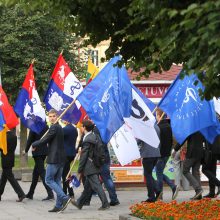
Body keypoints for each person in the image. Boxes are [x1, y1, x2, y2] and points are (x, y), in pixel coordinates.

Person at [32, 109, 71, 213]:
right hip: (61, 159)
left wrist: (34, 144)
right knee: (57, 181)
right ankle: (58, 205)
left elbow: (45, 139)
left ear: (57, 116)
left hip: (54, 159)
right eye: (50, 116)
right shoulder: (59, 127)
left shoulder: (54, 127)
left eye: (54, 116)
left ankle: (64, 197)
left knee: (48, 180)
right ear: (48, 117)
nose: (52, 118)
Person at [71, 120, 109, 210]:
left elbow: (84, 156)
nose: (81, 128)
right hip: (95, 164)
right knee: (88, 186)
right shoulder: (95, 136)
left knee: (97, 185)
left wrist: (80, 169)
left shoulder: (87, 139)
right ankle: (79, 203)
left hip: (90, 166)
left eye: (82, 126)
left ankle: (105, 204)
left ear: (84, 127)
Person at [24, 126, 54, 201]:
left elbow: (30, 139)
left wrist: (26, 150)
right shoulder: (46, 126)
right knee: (35, 173)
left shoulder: (34, 127)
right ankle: (30, 193)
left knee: (42, 172)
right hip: (44, 151)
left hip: (37, 152)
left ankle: (50, 193)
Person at [155, 109, 179, 200]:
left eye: (156, 115)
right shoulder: (169, 126)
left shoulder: (159, 127)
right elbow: (171, 140)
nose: (156, 117)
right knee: (160, 172)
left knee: (159, 173)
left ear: (159, 115)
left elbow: (158, 142)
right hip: (167, 153)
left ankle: (160, 194)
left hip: (160, 153)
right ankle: (173, 187)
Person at [173, 131, 204, 200]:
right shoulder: (201, 128)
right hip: (200, 153)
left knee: (185, 170)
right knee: (195, 172)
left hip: (192, 153)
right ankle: (199, 195)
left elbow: (182, 140)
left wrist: (175, 150)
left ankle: (198, 189)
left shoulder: (190, 128)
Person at [93, 126, 120, 206]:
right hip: (106, 155)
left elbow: (98, 144)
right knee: (107, 178)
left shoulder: (96, 129)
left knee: (105, 179)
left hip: (101, 157)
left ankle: (113, 199)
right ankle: (114, 198)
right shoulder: (105, 128)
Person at [0, 129, 26, 202]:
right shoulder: (14, 136)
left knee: (11, 178)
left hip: (5, 160)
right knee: (3, 178)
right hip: (11, 159)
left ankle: (21, 194)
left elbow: (2, 148)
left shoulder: (3, 136)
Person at [138, 124, 161, 203]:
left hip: (148, 154)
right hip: (156, 153)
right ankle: (157, 191)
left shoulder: (145, 127)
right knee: (149, 174)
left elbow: (138, 141)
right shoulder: (156, 127)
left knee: (147, 175)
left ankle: (151, 197)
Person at [62, 120, 78, 198]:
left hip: (66, 154)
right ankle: (70, 192)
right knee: (67, 174)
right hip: (72, 153)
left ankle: (65, 192)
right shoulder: (74, 129)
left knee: (65, 174)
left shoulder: (65, 129)